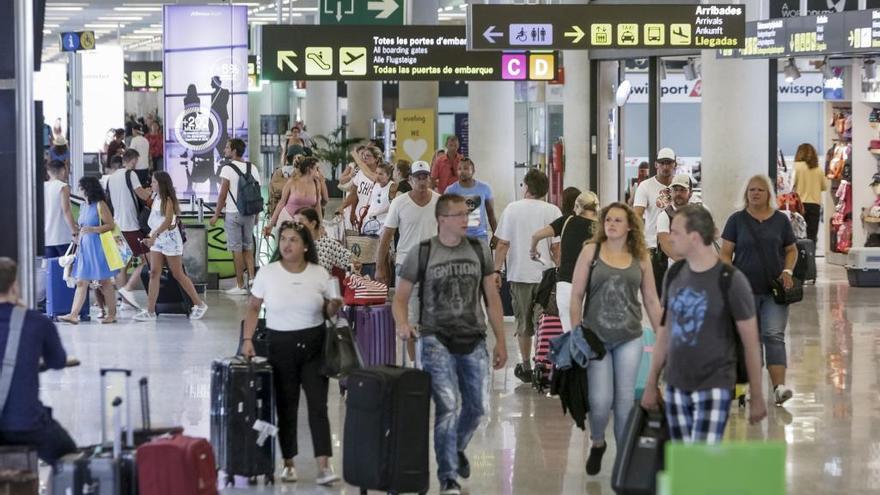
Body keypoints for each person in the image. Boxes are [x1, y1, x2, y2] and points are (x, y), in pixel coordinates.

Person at [393, 194, 507, 495]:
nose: (465, 220)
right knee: (448, 406)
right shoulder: (424, 252)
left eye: (466, 215)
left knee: (478, 408)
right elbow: (400, 297)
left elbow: (491, 299)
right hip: (435, 338)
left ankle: (454, 447)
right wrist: (403, 323)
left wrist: (501, 342)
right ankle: (448, 478)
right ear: (442, 219)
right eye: (458, 215)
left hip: (473, 337)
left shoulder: (479, 249)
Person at [641, 205, 767, 443]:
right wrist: (651, 382)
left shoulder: (731, 280)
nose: (670, 238)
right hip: (676, 383)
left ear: (695, 237)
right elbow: (665, 333)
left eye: (676, 232)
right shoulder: (675, 274)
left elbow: (751, 343)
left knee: (701, 457)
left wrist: (757, 395)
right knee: (682, 459)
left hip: (715, 383)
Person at [241, 221, 342, 486]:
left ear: (306, 246)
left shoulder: (319, 274)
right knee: (286, 406)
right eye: (283, 239)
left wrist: (334, 306)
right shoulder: (267, 273)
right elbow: (253, 308)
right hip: (279, 345)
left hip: (314, 346)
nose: (287, 244)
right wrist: (247, 339)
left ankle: (324, 464)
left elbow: (328, 314)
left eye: (293, 240)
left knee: (318, 405)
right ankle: (288, 463)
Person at [568, 202, 662, 475]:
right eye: (608, 219)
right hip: (596, 338)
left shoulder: (641, 257)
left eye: (618, 220)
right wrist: (576, 333)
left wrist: (663, 336)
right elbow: (576, 296)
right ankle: (598, 442)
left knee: (623, 402)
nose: (611, 224)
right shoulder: (591, 251)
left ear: (630, 225)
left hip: (629, 337)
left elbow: (652, 301)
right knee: (599, 402)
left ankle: (624, 462)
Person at [720, 174, 798, 406]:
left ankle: (779, 388)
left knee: (773, 336)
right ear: (746, 194)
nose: (755, 193)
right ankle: (742, 389)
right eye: (751, 190)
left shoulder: (781, 221)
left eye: (760, 190)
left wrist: (788, 271)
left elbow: (791, 250)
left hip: (774, 292)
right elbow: (725, 253)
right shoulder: (736, 220)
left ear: (769, 195)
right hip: (744, 292)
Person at [0, 258, 77, 464]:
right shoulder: (36, 321)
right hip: (25, 422)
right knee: (69, 456)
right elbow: (58, 361)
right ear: (14, 285)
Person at [493, 169, 562, 383]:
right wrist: (562, 272)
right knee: (544, 320)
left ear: (526, 187)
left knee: (523, 324)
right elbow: (556, 248)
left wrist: (496, 270)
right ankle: (543, 361)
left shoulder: (512, 209)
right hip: (547, 277)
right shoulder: (553, 211)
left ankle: (525, 366)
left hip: (519, 274)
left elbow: (503, 244)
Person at [375, 161, 440, 359]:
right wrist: (380, 267)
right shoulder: (399, 203)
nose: (421, 181)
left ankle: (429, 362)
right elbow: (386, 237)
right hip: (407, 265)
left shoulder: (440, 201)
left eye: (425, 177)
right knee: (410, 317)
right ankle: (414, 365)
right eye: (417, 177)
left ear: (430, 179)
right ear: (410, 179)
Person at [134, 172, 208, 322]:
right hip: (158, 239)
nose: (151, 185)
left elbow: (168, 221)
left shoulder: (168, 200)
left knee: (178, 274)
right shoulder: (155, 198)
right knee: (154, 273)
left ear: (161, 184)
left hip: (170, 240)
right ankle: (150, 311)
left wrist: (154, 236)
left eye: (154, 182)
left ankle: (199, 304)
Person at [530, 189, 599, 332]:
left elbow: (536, 235)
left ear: (578, 206)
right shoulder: (602, 228)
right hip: (593, 287)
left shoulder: (567, 221)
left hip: (567, 286)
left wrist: (533, 250)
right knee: (592, 337)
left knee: (571, 334)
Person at [58, 177, 120, 325]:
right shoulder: (84, 206)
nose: (78, 190)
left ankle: (112, 314)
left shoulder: (100, 205)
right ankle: (73, 314)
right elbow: (82, 226)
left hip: (98, 247)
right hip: (85, 247)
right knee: (81, 281)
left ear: (87, 188)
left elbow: (110, 225)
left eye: (80, 187)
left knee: (104, 281)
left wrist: (93, 229)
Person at [210, 138, 260, 295]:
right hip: (250, 213)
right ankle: (251, 279)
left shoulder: (227, 169)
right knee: (248, 247)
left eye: (227, 147)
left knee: (236, 249)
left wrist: (215, 215)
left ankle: (240, 286)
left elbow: (222, 195)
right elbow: (257, 194)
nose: (225, 150)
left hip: (233, 213)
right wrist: (257, 215)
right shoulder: (253, 167)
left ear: (234, 151)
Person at [106, 149, 153, 307]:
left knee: (122, 266)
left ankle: (124, 302)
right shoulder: (130, 174)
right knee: (148, 259)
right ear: (133, 161)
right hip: (131, 226)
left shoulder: (111, 178)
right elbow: (143, 196)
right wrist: (150, 191)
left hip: (117, 226)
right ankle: (127, 289)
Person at [633, 147, 676, 295]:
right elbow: (636, 216)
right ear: (656, 164)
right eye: (662, 163)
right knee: (656, 295)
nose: (665, 166)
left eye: (669, 163)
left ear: (674, 164)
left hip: (678, 246)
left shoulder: (680, 186)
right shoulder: (645, 186)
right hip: (654, 247)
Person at [265, 156, 324, 237]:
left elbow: (318, 206)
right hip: (287, 219)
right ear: (309, 169)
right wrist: (270, 225)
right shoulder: (292, 182)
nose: (319, 172)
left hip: (304, 223)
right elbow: (281, 203)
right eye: (317, 168)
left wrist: (321, 225)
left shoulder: (316, 184)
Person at [445, 158, 497, 244]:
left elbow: (491, 214)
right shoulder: (450, 190)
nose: (462, 171)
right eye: (459, 169)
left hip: (480, 237)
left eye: (465, 168)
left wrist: (495, 235)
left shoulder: (485, 188)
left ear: (473, 171)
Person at [293, 208, 353, 275]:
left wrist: (354, 263)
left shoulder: (329, 244)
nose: (296, 227)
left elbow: (350, 260)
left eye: (300, 223)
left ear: (313, 223)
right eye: (294, 224)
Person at [340, 146, 381, 231]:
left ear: (376, 159)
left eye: (368, 156)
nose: (364, 157)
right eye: (364, 155)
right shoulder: (360, 173)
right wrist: (352, 212)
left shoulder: (380, 175)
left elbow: (369, 174)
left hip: (375, 218)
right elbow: (354, 194)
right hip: (360, 215)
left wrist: (355, 155)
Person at [657, 174, 696, 264]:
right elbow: (665, 244)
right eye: (675, 190)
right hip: (676, 270)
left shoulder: (699, 213)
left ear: (690, 193)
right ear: (671, 192)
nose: (678, 193)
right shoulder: (665, 216)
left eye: (682, 190)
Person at [792, 143, 827, 243]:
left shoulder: (796, 167)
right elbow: (824, 187)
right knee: (812, 236)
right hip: (814, 205)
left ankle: (799, 258)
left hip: (798, 205)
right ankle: (811, 257)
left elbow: (791, 184)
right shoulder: (818, 169)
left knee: (798, 235)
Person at [43, 160, 78, 258]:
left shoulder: (42, 186)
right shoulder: (63, 186)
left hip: (46, 238)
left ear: (48, 171)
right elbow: (66, 210)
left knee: (51, 270)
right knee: (67, 269)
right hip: (62, 236)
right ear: (63, 170)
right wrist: (74, 232)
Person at [360, 162, 396, 235]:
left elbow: (394, 206)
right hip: (369, 222)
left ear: (388, 175)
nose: (377, 176)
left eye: (381, 174)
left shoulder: (393, 187)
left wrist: (378, 213)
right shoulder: (375, 184)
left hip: (383, 224)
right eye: (376, 173)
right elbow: (365, 171)